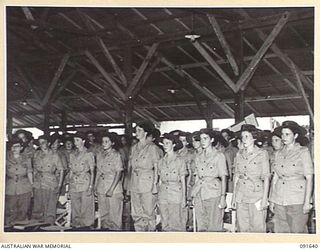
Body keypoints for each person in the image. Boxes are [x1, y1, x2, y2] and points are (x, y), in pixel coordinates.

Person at [269, 121, 313, 233]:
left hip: (297, 197)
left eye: (287, 134)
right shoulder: (278, 153)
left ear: (296, 136)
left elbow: (309, 178)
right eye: (282, 134)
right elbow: (275, 178)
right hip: (279, 197)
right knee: (280, 231)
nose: (284, 137)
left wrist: (307, 201)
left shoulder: (303, 152)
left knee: (297, 231)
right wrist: (272, 199)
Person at [231, 124, 270, 233]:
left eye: (247, 136)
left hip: (256, 194)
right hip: (241, 194)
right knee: (242, 227)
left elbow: (266, 177)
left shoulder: (262, 154)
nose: (244, 139)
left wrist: (264, 199)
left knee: (257, 228)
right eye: (242, 137)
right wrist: (234, 197)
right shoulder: (239, 154)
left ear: (254, 138)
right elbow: (236, 176)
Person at [191, 128, 228, 232]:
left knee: (214, 226)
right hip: (200, 193)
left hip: (213, 192)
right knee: (201, 226)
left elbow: (223, 177)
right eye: (201, 139)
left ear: (212, 140)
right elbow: (197, 176)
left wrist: (222, 197)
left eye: (205, 138)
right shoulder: (198, 157)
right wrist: (194, 194)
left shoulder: (219, 156)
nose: (202, 141)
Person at [128, 121, 161, 231]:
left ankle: (150, 234)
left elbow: (157, 167)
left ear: (146, 132)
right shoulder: (134, 147)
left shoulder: (152, 148)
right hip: (135, 182)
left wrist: (155, 184)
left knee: (148, 211)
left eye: (139, 130)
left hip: (148, 182)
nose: (136, 133)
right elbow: (131, 167)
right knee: (136, 212)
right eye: (136, 130)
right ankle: (139, 233)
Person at [32, 135, 64, 224]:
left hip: (50, 182)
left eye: (43, 142)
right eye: (40, 143)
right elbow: (34, 168)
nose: (41, 145)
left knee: (50, 206)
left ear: (48, 143)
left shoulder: (54, 155)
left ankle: (49, 225)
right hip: (38, 182)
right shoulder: (37, 154)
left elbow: (61, 170)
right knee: (38, 205)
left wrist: (59, 185)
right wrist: (33, 182)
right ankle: (37, 225)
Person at [157, 133, 186, 231]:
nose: (165, 146)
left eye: (168, 143)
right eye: (164, 143)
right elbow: (160, 180)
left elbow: (183, 181)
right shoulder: (160, 162)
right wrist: (158, 196)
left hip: (175, 192)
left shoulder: (180, 161)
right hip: (163, 193)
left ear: (173, 145)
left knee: (176, 221)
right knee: (164, 221)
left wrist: (183, 198)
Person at [95, 132, 124, 230]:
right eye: (103, 141)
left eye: (107, 141)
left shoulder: (116, 155)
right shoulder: (100, 155)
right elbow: (98, 172)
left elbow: (118, 173)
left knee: (114, 215)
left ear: (113, 143)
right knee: (104, 215)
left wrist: (111, 189)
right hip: (101, 187)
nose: (104, 143)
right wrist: (95, 187)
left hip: (113, 187)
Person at [69, 132, 95, 228]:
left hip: (85, 182)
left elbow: (92, 171)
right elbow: (71, 171)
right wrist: (70, 185)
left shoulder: (89, 154)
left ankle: (86, 227)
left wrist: (91, 186)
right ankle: (76, 226)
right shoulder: (72, 154)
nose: (75, 142)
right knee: (75, 207)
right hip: (74, 183)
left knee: (86, 207)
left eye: (77, 140)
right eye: (74, 140)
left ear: (83, 141)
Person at [5, 136, 33, 225]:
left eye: (17, 146)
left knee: (23, 211)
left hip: (24, 187)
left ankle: (21, 233)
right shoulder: (5, 158)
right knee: (10, 211)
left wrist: (32, 187)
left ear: (21, 148)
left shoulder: (27, 159)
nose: (14, 148)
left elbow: (29, 172)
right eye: (12, 146)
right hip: (10, 188)